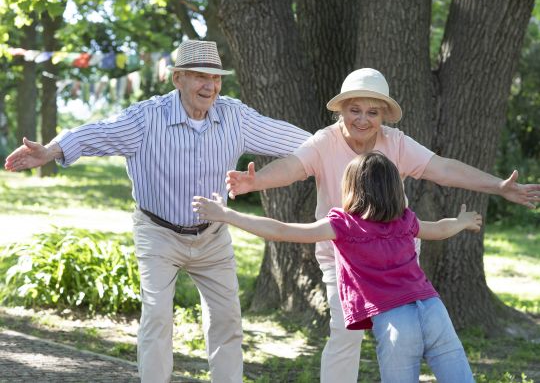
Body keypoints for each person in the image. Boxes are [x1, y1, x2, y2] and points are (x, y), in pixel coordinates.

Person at [4, 39, 311, 383]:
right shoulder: (146, 119)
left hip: (212, 235)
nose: (209, 86)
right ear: (177, 79)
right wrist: (50, 150)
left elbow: (295, 140)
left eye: (215, 78)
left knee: (227, 322)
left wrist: (345, 147)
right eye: (198, 76)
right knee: (157, 319)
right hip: (158, 232)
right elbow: (96, 133)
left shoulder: (234, 116)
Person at [225, 68, 540, 382]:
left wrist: (498, 185)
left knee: (402, 334)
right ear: (342, 110)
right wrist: (257, 181)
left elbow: (442, 169)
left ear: (384, 115)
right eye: (354, 110)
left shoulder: (397, 143)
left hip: (393, 258)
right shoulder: (324, 142)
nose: (362, 119)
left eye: (372, 112)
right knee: (345, 335)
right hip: (343, 257)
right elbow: (292, 166)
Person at [193, 151, 482, 382]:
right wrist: (461, 222)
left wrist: (228, 214)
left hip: (396, 321)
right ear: (395, 189)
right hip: (433, 309)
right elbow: (439, 229)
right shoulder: (405, 221)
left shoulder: (343, 225)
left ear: (352, 188)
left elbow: (282, 230)